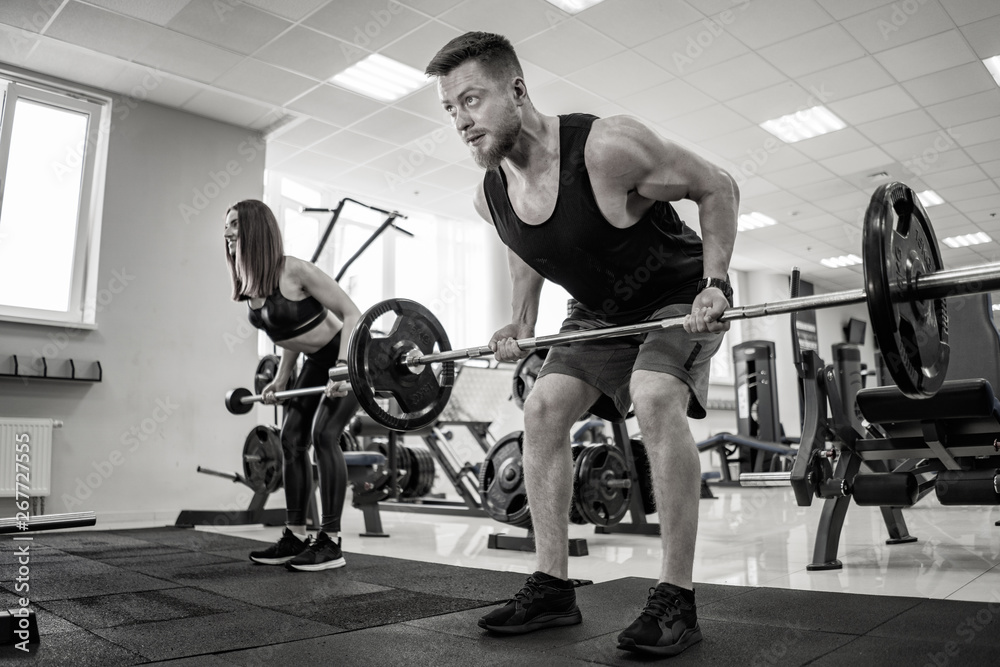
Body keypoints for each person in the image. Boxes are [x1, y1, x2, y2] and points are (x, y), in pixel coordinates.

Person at [426, 33, 739, 657]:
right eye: (450, 109)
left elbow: (719, 187)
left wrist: (716, 283)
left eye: (471, 100)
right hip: (597, 314)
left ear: (516, 90)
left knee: (653, 395)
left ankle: (677, 598)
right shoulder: (491, 197)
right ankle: (552, 586)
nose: (461, 122)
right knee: (542, 409)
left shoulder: (607, 148)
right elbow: (530, 252)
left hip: (677, 296)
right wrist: (519, 320)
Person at [224, 199, 361, 572]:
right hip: (317, 361)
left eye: (235, 224)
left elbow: (352, 313)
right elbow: (286, 334)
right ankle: (296, 533)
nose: (228, 232)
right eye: (227, 226)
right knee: (290, 439)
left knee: (324, 436)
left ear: (255, 226)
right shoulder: (251, 285)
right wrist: (283, 376)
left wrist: (345, 367)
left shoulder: (295, 270)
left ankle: (331, 542)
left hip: (351, 357)